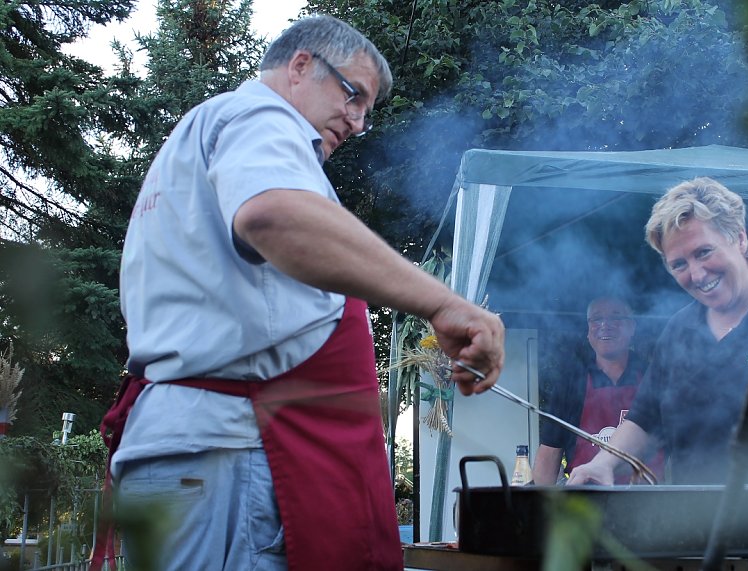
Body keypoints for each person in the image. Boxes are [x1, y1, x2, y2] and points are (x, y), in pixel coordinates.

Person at [91, 15, 504, 571]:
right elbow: (275, 215)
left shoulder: (204, 130)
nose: (357, 122)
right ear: (301, 65)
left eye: (367, 110)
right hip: (230, 459)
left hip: (194, 449)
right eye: (352, 95)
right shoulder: (260, 114)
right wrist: (444, 303)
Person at [568, 177, 748, 487]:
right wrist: (604, 463)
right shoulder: (679, 330)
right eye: (679, 264)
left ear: (740, 239)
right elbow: (646, 420)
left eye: (704, 252)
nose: (697, 274)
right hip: (690, 526)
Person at [533, 296, 661, 485]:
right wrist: (539, 507)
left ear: (632, 327)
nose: (605, 325)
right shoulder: (571, 382)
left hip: (647, 500)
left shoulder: (653, 377)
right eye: (597, 319)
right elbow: (550, 452)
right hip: (586, 500)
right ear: (588, 330)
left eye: (615, 318)